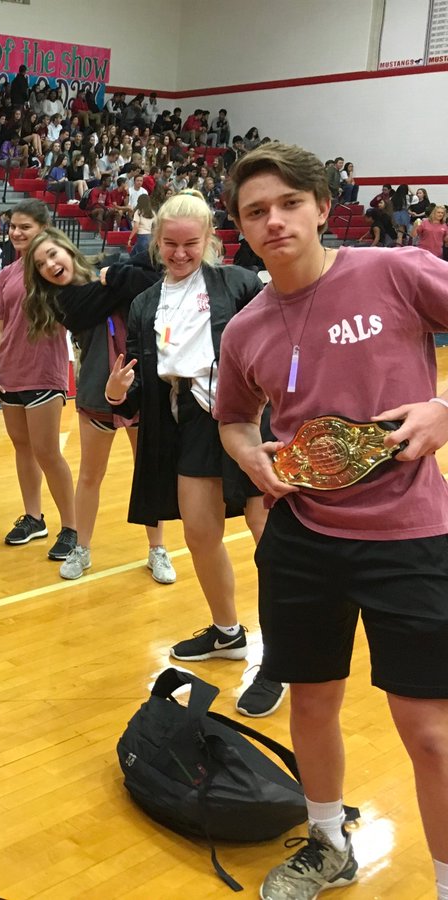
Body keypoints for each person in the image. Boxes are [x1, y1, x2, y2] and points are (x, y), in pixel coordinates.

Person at [216, 141, 448, 900]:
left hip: (411, 535)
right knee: (312, 702)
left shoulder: (395, 271)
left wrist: (444, 408)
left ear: (322, 207)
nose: (275, 221)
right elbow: (234, 420)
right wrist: (252, 460)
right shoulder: (246, 328)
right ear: (242, 226)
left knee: (431, 734)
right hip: (302, 540)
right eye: (257, 211)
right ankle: (327, 845)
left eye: (290, 203)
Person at [105, 190, 282, 717]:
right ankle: (228, 632)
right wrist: (116, 394)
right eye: (170, 244)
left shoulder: (239, 283)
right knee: (200, 534)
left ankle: (281, 658)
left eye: (191, 243)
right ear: (156, 241)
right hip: (186, 423)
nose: (180, 253)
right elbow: (137, 382)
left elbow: (275, 342)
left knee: (271, 540)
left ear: (209, 241)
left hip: (249, 417)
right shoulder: (145, 304)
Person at [29, 226, 176, 583]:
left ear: (67, 250)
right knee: (90, 475)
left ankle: (157, 548)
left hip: (141, 389)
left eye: (52, 254)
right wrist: (120, 277)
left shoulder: (111, 275)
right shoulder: (63, 302)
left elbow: (154, 278)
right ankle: (82, 548)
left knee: (148, 471)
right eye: (41, 265)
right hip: (96, 393)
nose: (50, 265)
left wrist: (119, 275)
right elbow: (96, 302)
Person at [0, 200, 77, 555]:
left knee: (48, 452)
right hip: (11, 374)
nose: (17, 233)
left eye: (25, 227)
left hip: (44, 372)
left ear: (43, 229)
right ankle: (34, 518)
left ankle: (72, 527)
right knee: (23, 448)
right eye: (13, 227)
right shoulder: (7, 273)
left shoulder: (55, 267)